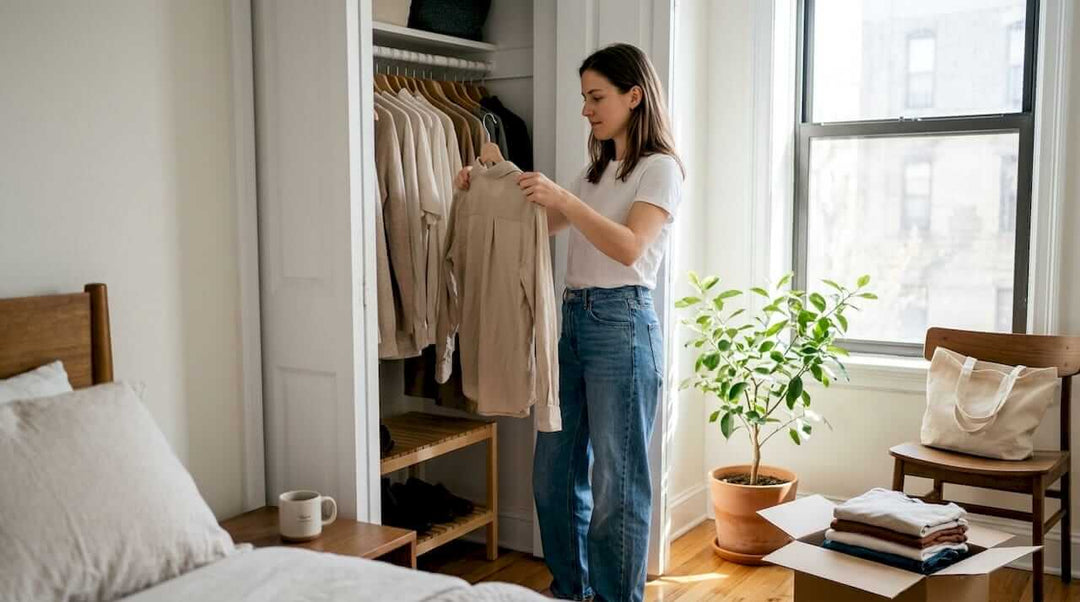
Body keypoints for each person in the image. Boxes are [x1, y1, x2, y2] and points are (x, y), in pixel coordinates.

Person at [454, 43, 684, 602]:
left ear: (635, 96)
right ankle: (571, 589)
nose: (586, 109)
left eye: (596, 96)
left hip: (623, 328)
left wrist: (568, 198)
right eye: (584, 97)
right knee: (552, 478)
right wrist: (485, 185)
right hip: (574, 323)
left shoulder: (660, 170)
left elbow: (630, 247)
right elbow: (538, 225)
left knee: (617, 487)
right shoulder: (596, 169)